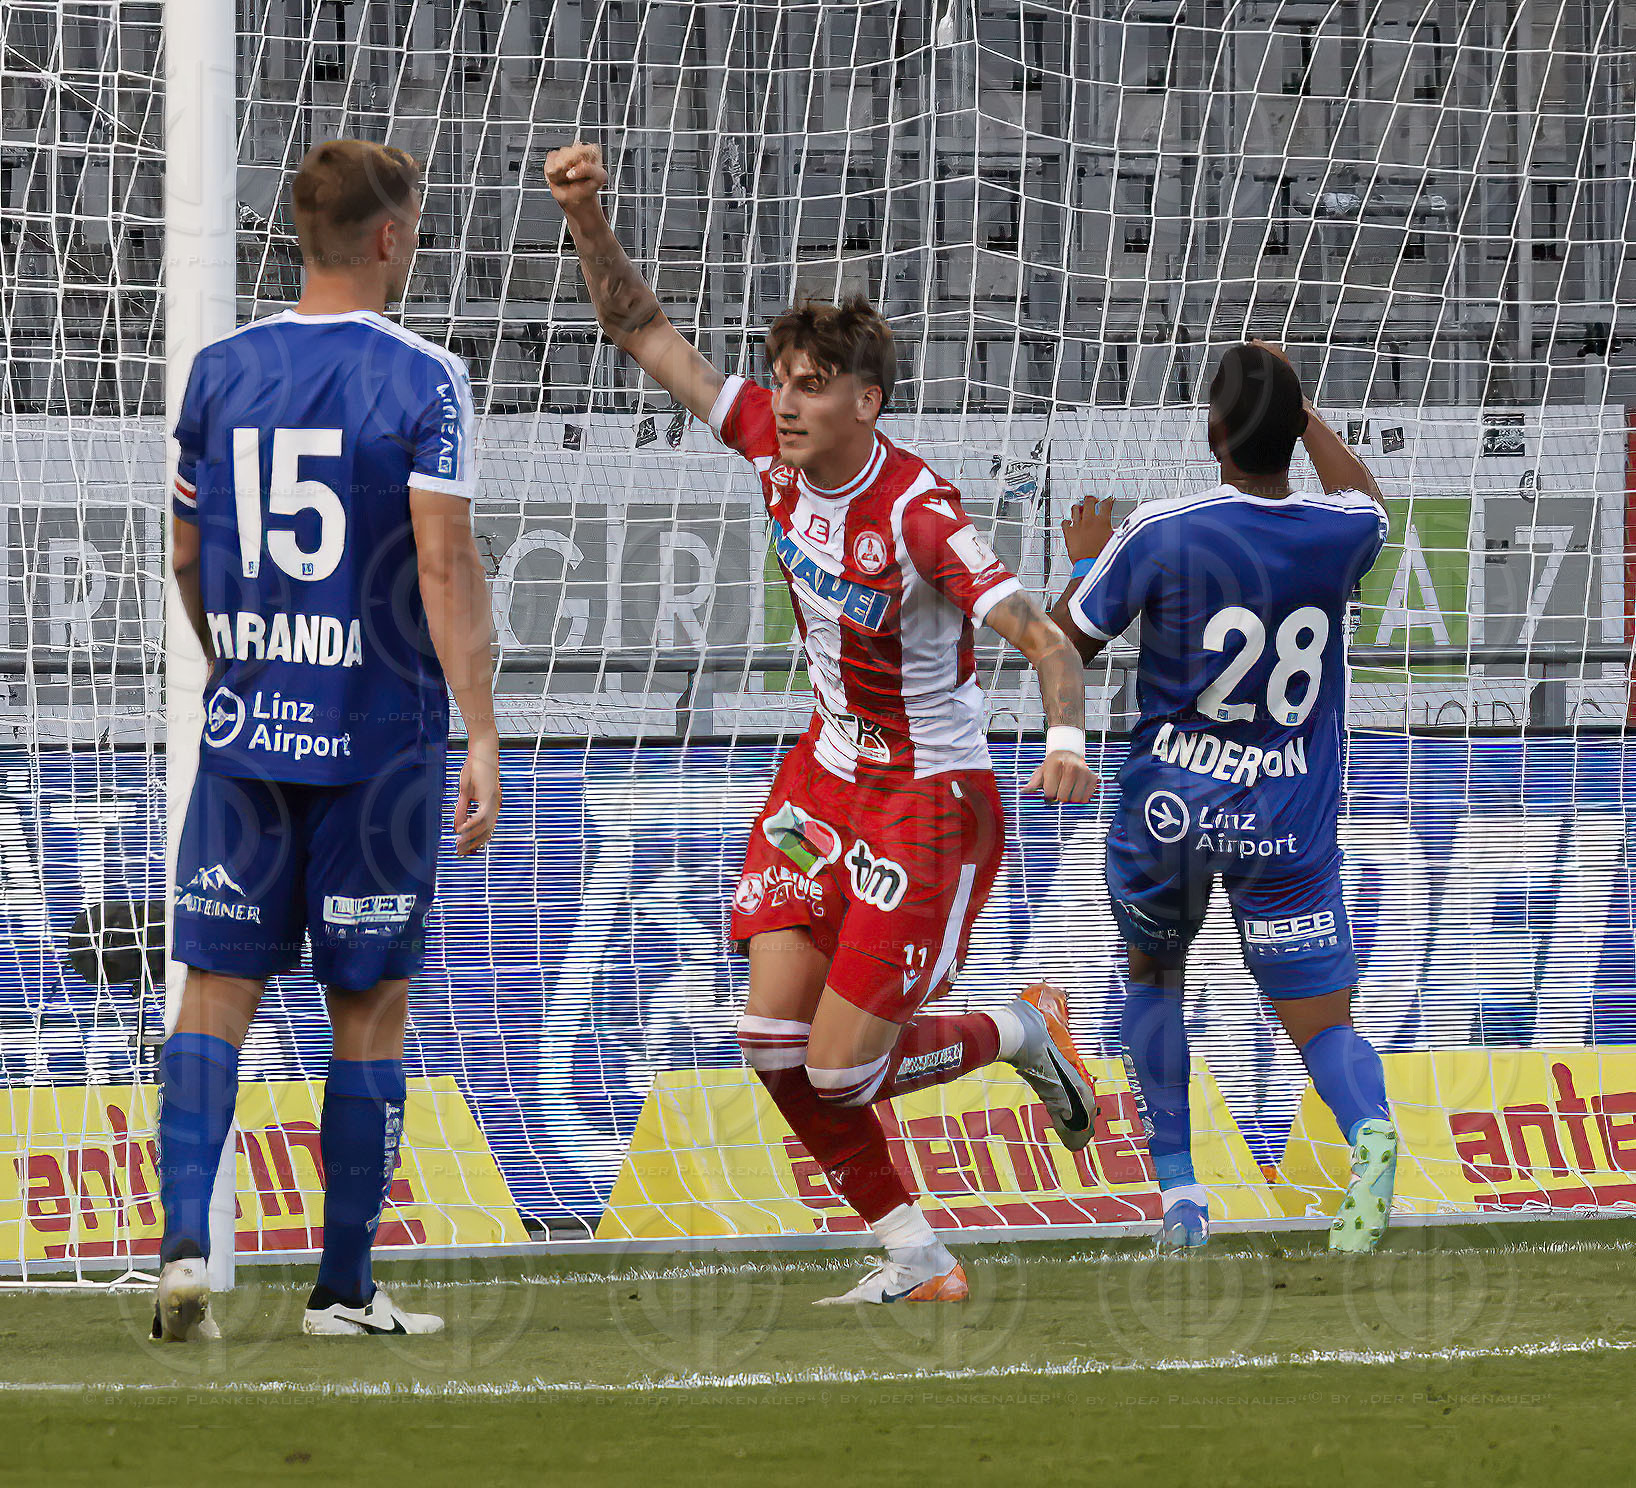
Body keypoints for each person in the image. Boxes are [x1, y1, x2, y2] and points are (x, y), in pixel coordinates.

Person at [548, 141, 1100, 1304]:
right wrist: (588, 215)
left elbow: (1046, 641)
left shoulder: (920, 515)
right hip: (823, 781)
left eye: (810, 385)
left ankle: (1019, 1028)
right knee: (769, 1044)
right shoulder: (766, 442)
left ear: (865, 402)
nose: (785, 402)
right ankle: (916, 1255)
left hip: (927, 806)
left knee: (842, 1074)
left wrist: (1064, 743)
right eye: (780, 381)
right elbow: (639, 326)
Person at [160, 139, 500, 1338]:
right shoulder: (423, 376)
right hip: (378, 744)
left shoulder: (220, 370)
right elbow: (443, 564)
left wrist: (231, 659)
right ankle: (344, 1289)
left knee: (215, 992)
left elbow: (186, 554)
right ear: (390, 237)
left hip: (247, 729)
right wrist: (482, 732)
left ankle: (185, 1244)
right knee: (369, 1007)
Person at [1050, 342, 1397, 1253]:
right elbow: (1367, 499)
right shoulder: (1340, 533)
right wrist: (1300, 409)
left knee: (1154, 977)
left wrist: (1084, 562)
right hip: (1287, 818)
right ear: (1293, 430)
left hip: (1172, 814)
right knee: (1322, 1024)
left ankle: (1181, 1197)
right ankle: (1369, 1130)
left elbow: (1060, 643)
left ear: (1213, 434)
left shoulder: (1161, 529)